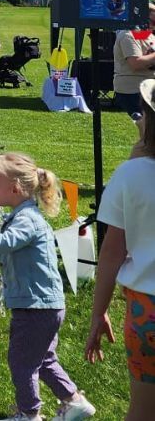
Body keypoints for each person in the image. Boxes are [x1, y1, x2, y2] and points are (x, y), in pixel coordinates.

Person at [0, 153, 96, 421]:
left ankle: (29, 414)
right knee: (44, 360)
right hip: (42, 304)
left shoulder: (27, 218)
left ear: (15, 188)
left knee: (22, 363)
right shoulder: (22, 214)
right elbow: (16, 248)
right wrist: (0, 253)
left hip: (36, 306)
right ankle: (74, 402)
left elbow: (12, 240)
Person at [85, 78, 155, 420]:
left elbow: (112, 252)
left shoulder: (130, 175)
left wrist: (99, 312)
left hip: (146, 312)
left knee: (142, 412)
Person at [112, 2, 155, 120]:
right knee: (148, 130)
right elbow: (135, 63)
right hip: (133, 90)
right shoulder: (128, 35)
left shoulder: (147, 35)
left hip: (148, 86)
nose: (154, 26)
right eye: (152, 21)